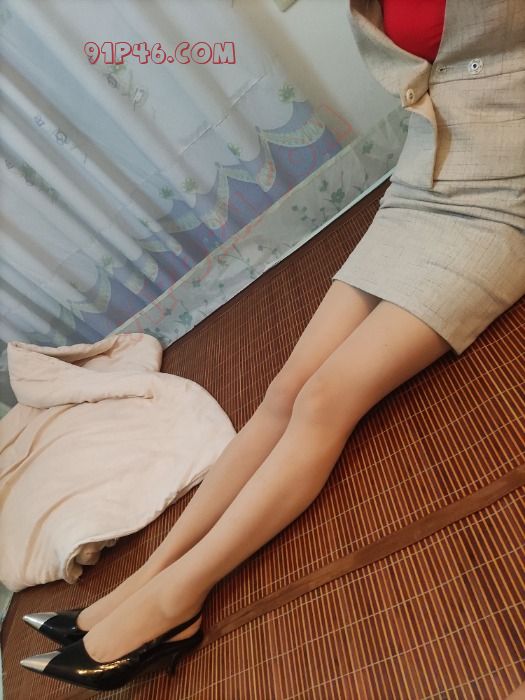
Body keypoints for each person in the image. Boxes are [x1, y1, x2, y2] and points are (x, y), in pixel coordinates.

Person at [19, 0, 525, 692]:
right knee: (283, 391)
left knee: (324, 399)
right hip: (423, 177)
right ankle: (146, 579)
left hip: (507, 192)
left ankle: (177, 601)